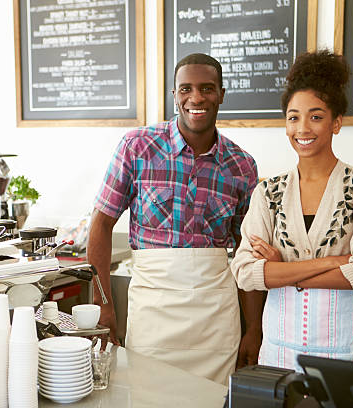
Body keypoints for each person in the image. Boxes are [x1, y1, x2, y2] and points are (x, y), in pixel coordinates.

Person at [87, 53, 260, 384]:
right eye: (186, 89)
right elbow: (101, 225)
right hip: (153, 311)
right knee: (148, 395)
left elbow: (247, 250)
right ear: (174, 95)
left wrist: (254, 328)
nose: (196, 98)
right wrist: (103, 304)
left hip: (216, 317)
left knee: (214, 399)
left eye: (207, 88)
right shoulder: (137, 147)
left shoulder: (242, 166)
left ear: (222, 94)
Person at [230, 50, 353, 370]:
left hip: (343, 349)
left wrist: (281, 270)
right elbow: (246, 272)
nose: (303, 128)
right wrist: (335, 262)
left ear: (336, 122)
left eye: (316, 116)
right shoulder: (267, 192)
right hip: (279, 347)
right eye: (293, 117)